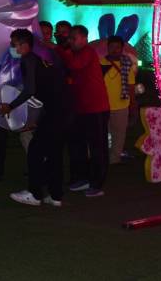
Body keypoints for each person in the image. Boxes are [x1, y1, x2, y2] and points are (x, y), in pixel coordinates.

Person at [0, 29, 67, 206]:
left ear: (24, 44)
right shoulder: (41, 60)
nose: (12, 47)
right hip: (62, 109)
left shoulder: (28, 60)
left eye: (14, 43)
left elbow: (30, 90)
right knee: (54, 153)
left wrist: (11, 106)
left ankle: (35, 194)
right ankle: (56, 196)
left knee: (35, 152)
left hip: (53, 111)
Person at [58, 25, 110, 197]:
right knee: (78, 144)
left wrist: (60, 49)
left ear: (84, 38)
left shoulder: (88, 52)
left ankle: (97, 183)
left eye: (73, 38)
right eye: (69, 38)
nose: (70, 41)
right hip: (82, 108)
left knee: (97, 146)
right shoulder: (77, 53)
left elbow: (75, 65)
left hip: (96, 108)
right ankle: (83, 178)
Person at [101, 36, 137, 164]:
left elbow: (131, 85)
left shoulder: (126, 64)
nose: (114, 50)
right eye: (112, 47)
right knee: (103, 133)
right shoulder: (100, 63)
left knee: (119, 133)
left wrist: (133, 103)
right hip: (103, 105)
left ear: (122, 49)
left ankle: (114, 158)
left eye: (117, 47)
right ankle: (103, 156)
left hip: (122, 105)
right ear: (107, 48)